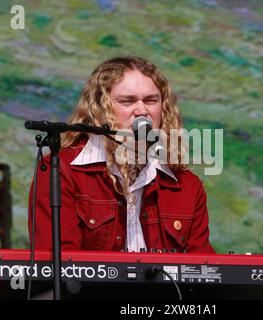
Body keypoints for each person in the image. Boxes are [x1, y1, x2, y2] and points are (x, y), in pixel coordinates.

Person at [28, 56, 215, 253]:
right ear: (99, 109)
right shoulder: (61, 172)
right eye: (127, 101)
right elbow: (59, 266)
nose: (142, 110)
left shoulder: (186, 186)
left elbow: (203, 270)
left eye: (151, 100)